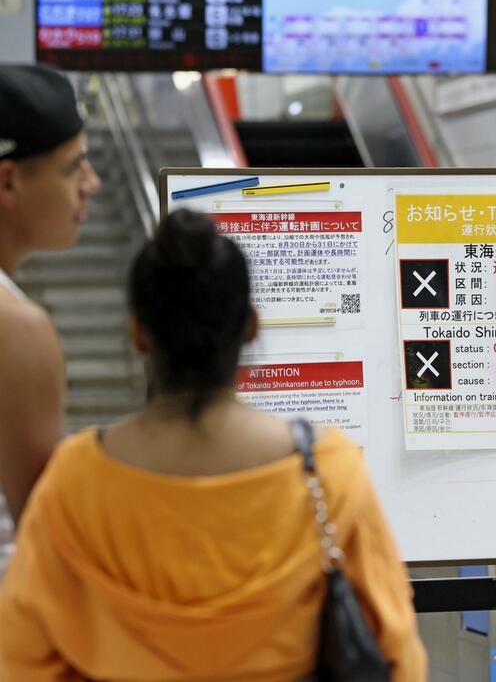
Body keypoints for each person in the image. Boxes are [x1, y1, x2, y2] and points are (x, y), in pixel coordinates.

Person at [0, 210, 427, 681]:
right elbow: (397, 651)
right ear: (250, 326)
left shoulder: (75, 479)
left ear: (138, 333)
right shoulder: (325, 473)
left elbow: (22, 658)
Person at [0, 65, 101, 574]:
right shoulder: (16, 330)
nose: (93, 184)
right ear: (8, 180)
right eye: (73, 168)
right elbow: (46, 543)